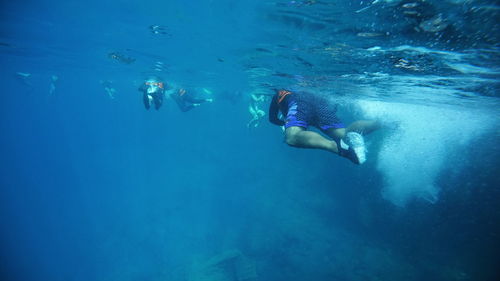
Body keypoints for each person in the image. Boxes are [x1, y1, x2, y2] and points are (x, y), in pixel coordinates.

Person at [268, 89, 380, 164]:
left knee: (292, 137)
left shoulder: (280, 93)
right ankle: (383, 122)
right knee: (344, 134)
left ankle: (336, 147)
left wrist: (285, 125)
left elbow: (272, 119)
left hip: (298, 99)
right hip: (319, 101)